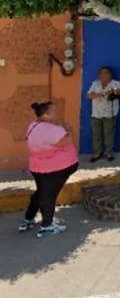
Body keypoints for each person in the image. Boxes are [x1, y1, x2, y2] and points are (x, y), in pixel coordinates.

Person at [21, 101, 79, 237]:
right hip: (55, 168)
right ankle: (46, 226)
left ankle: (28, 219)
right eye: (53, 111)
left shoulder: (34, 125)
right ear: (46, 115)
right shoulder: (50, 130)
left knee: (41, 192)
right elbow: (65, 141)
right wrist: (69, 130)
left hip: (38, 166)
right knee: (49, 195)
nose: (57, 113)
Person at [84, 65, 120, 162]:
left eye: (106, 73)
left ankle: (109, 152)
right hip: (96, 113)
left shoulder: (116, 84)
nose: (103, 75)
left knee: (109, 134)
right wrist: (101, 95)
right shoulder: (95, 84)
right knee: (96, 134)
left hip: (110, 113)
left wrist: (118, 92)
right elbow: (88, 95)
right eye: (101, 73)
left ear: (110, 75)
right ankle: (97, 153)